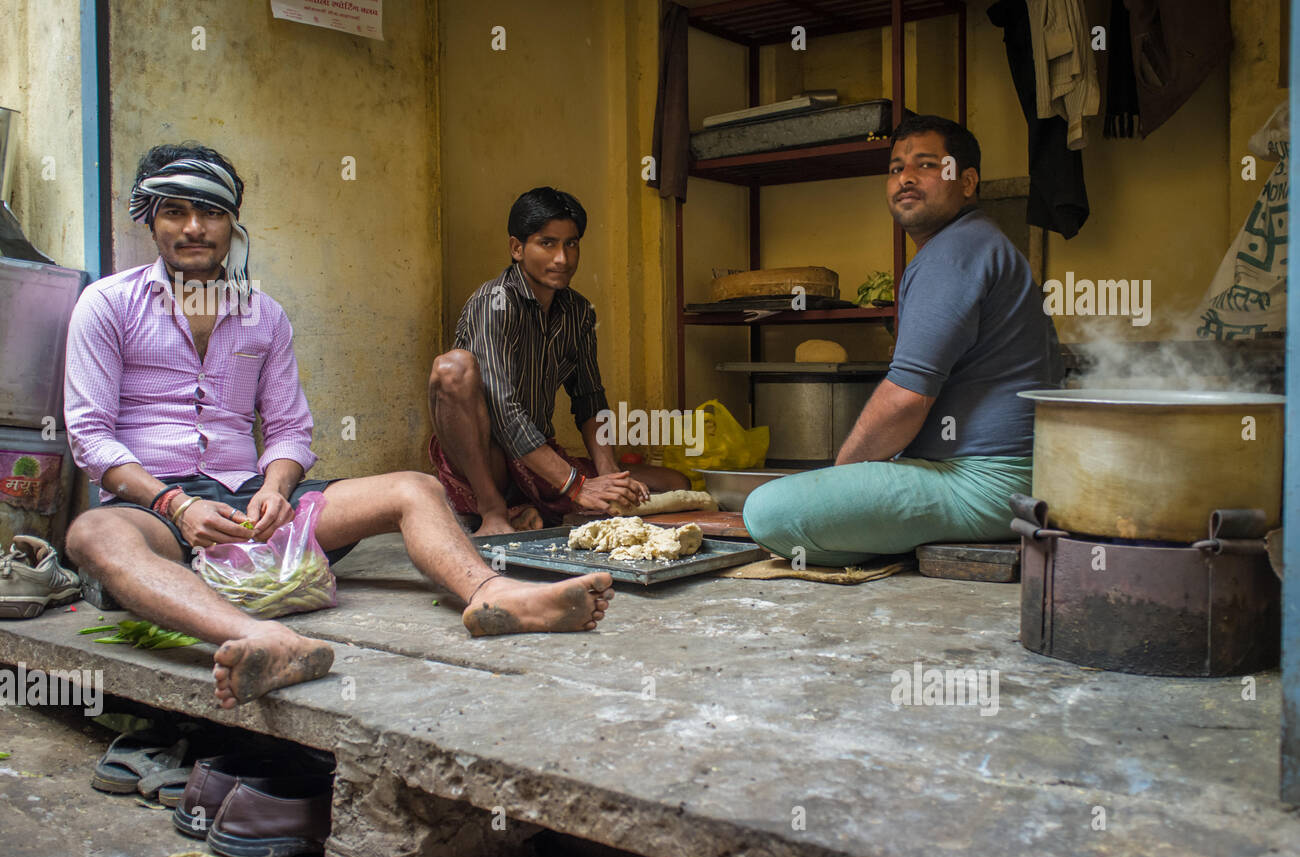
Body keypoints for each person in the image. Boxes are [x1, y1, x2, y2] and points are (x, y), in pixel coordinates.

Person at [63, 143, 615, 710]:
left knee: (413, 488)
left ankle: (494, 596)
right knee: (93, 535)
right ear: (149, 219)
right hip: (155, 509)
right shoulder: (107, 305)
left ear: (234, 222)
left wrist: (277, 492)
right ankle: (264, 641)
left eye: (212, 213)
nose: (195, 227)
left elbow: (288, 431)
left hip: (249, 505)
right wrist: (177, 506)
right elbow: (89, 436)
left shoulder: (264, 315)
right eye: (175, 211)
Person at [743, 115, 1061, 565]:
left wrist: (842, 481)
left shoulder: (954, 253)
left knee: (767, 511)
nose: (906, 179)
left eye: (927, 165)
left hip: (988, 485)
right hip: (1012, 477)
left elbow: (906, 400)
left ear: (967, 181)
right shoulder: (975, 242)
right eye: (895, 169)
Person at [429, 187, 689, 537]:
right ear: (517, 248)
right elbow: (506, 415)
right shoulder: (493, 303)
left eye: (572, 244)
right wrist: (578, 486)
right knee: (452, 368)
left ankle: (524, 509)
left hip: (535, 460)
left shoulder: (578, 311)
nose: (562, 259)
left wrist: (610, 474)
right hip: (485, 461)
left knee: (674, 483)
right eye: (547, 243)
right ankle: (493, 511)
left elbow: (589, 398)